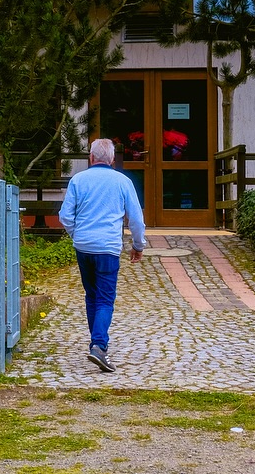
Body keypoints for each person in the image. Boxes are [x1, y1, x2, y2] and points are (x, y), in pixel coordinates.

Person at [58, 138, 148, 374]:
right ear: (112, 160)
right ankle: (98, 345)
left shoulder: (78, 180)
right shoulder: (123, 181)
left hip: (84, 246)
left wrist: (77, 234)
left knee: (91, 295)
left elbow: (65, 216)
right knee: (106, 299)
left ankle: (96, 343)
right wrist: (138, 245)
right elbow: (136, 219)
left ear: (91, 158)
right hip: (107, 247)